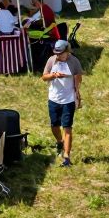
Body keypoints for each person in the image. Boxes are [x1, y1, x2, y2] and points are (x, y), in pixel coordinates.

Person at [42, 39, 83, 167]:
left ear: (67, 51)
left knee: (67, 128)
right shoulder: (51, 60)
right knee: (54, 125)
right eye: (57, 53)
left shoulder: (74, 62)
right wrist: (53, 75)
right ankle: (60, 141)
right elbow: (44, 77)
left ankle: (67, 156)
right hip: (53, 98)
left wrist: (77, 94)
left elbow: (79, 77)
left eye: (61, 54)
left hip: (68, 100)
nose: (58, 56)